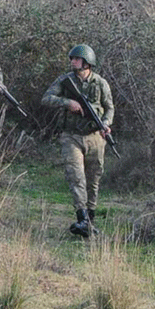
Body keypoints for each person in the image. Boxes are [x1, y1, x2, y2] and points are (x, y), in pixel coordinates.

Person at [41, 44, 114, 238]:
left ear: (87, 62)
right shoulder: (65, 81)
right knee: (76, 176)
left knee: (93, 179)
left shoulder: (100, 83)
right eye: (72, 59)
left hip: (95, 138)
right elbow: (46, 98)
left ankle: (89, 221)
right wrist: (67, 102)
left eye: (77, 59)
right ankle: (81, 217)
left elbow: (109, 108)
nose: (73, 62)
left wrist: (105, 124)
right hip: (71, 136)